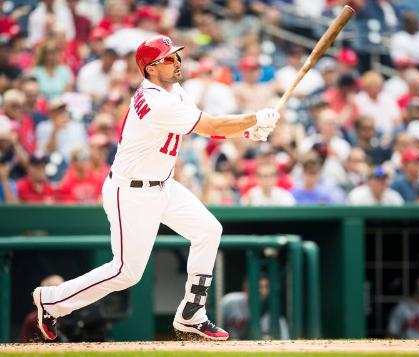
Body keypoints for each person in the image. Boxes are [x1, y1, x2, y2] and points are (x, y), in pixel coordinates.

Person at [32, 35, 280, 342]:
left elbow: (206, 128)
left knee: (208, 230)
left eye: (176, 56)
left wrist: (248, 131)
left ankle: (192, 312)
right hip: (131, 193)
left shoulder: (174, 91)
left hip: (163, 184)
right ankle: (52, 300)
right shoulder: (153, 100)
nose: (176, 62)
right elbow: (213, 126)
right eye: (168, 58)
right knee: (126, 272)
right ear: (149, 68)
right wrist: (254, 118)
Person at [221, 275, 289, 340]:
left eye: (266, 287)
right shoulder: (229, 302)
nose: (262, 291)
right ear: (246, 286)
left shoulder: (275, 317)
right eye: (258, 286)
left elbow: (285, 342)